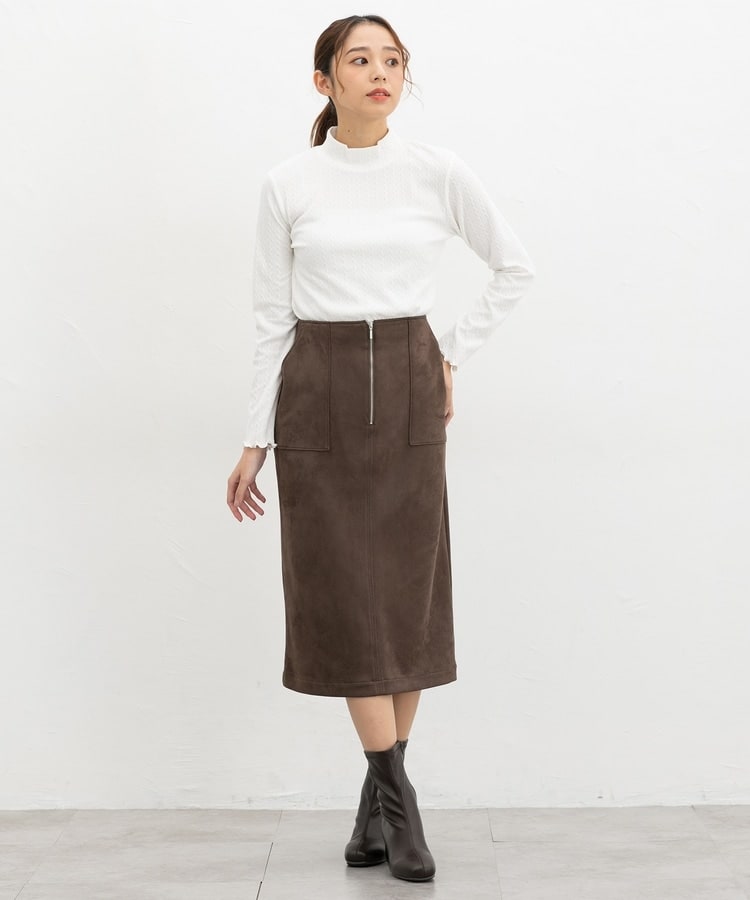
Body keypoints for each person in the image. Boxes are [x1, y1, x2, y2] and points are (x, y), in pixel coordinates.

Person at [226, 14, 535, 883]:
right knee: (346, 597)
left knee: (402, 598)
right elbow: (270, 318)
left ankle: (377, 808)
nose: (380, 73)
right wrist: (254, 437)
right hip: (316, 391)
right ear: (324, 81)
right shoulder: (289, 184)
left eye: (392, 60)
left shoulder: (438, 172)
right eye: (359, 60)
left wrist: (448, 353)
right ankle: (399, 804)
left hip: (407, 386)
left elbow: (515, 267)